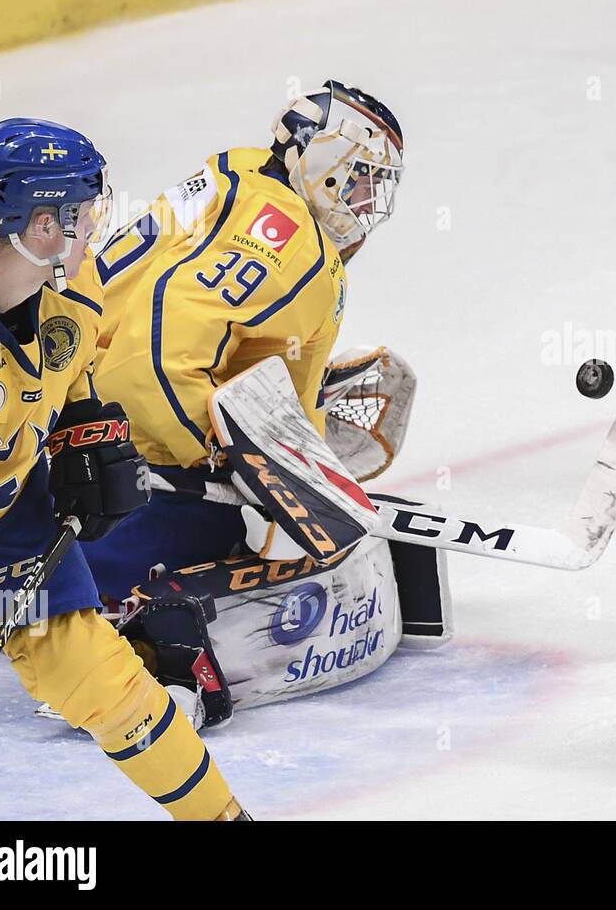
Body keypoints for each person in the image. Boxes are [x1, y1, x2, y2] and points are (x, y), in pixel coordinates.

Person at [76, 83, 449, 729]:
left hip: (69, 428)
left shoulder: (244, 175)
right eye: (361, 180)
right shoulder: (286, 242)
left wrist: (279, 425)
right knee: (285, 562)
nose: (366, 203)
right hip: (117, 477)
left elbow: (180, 330)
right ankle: (133, 636)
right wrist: (244, 467)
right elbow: (148, 369)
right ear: (324, 163)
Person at [0, 118, 245, 818]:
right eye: (84, 212)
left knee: (103, 683)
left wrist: (85, 439)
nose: (95, 228)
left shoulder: (75, 299)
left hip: (0, 517)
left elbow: (68, 385)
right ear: (41, 226)